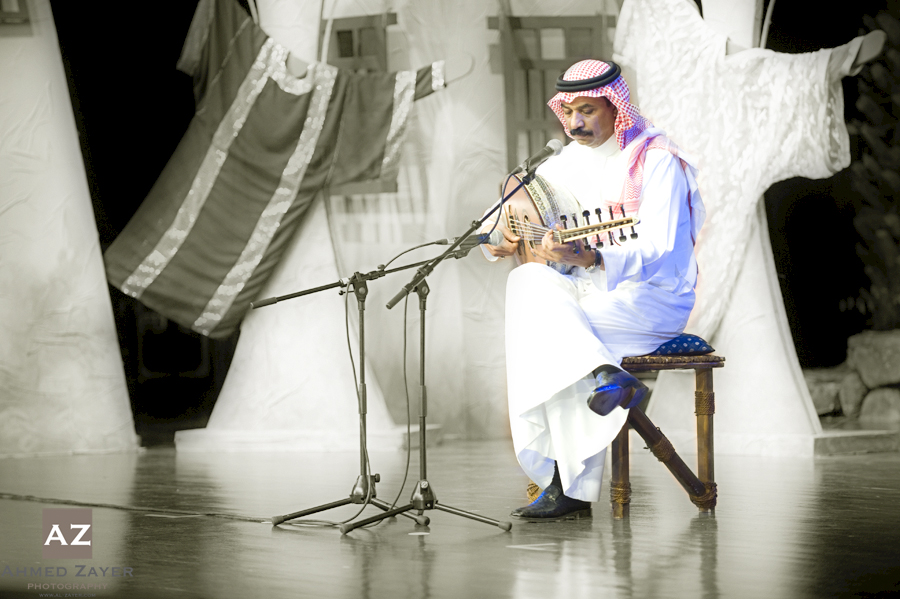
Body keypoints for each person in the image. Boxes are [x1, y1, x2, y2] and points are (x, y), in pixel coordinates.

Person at [481, 59, 705, 521]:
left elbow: (662, 247)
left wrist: (596, 257)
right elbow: (503, 215)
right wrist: (498, 239)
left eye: (588, 111)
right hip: (587, 290)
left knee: (546, 336)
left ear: (615, 107)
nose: (576, 123)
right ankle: (607, 376)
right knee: (526, 278)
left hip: (651, 296)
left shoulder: (656, 160)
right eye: (569, 112)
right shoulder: (563, 161)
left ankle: (567, 487)